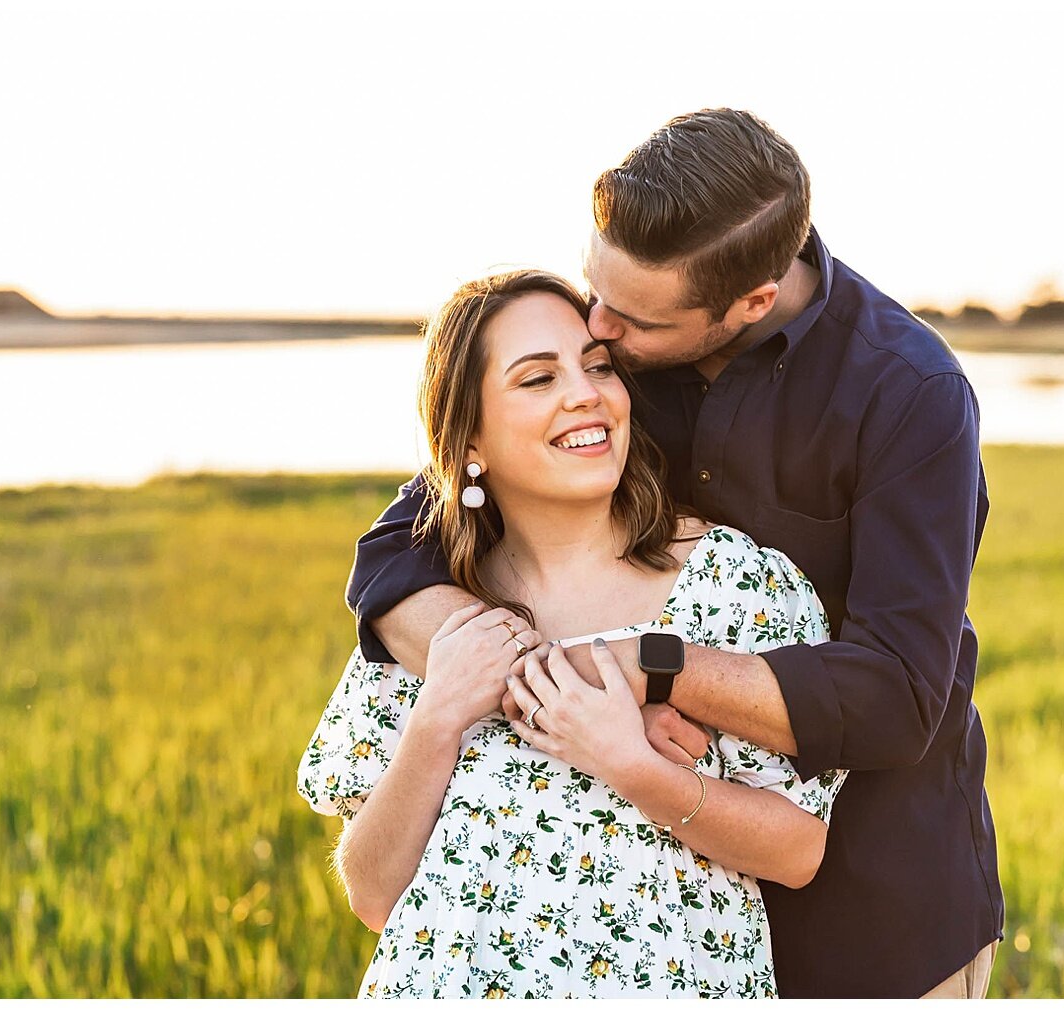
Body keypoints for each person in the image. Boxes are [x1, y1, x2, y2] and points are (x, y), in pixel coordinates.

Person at [345, 109, 1002, 999]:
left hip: (873, 912)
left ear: (750, 304)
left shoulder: (910, 396)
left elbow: (895, 697)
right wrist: (555, 689)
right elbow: (396, 550)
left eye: (631, 324)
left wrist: (646, 667)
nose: (600, 328)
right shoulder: (611, 350)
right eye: (594, 289)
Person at [297, 269, 846, 998]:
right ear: (467, 442)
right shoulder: (433, 615)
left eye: (596, 366)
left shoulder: (735, 584)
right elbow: (371, 894)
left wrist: (630, 762)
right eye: (536, 379)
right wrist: (438, 716)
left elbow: (799, 849)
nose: (584, 392)